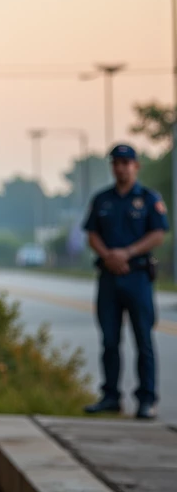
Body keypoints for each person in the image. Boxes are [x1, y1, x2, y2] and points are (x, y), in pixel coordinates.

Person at [83, 143, 169, 420]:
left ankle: (147, 399)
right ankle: (110, 396)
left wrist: (127, 253)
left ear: (135, 166)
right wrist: (108, 255)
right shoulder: (102, 200)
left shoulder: (147, 198)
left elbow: (158, 233)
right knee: (109, 340)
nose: (120, 167)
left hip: (137, 276)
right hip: (109, 277)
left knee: (143, 339)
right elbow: (92, 233)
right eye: (116, 163)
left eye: (125, 162)